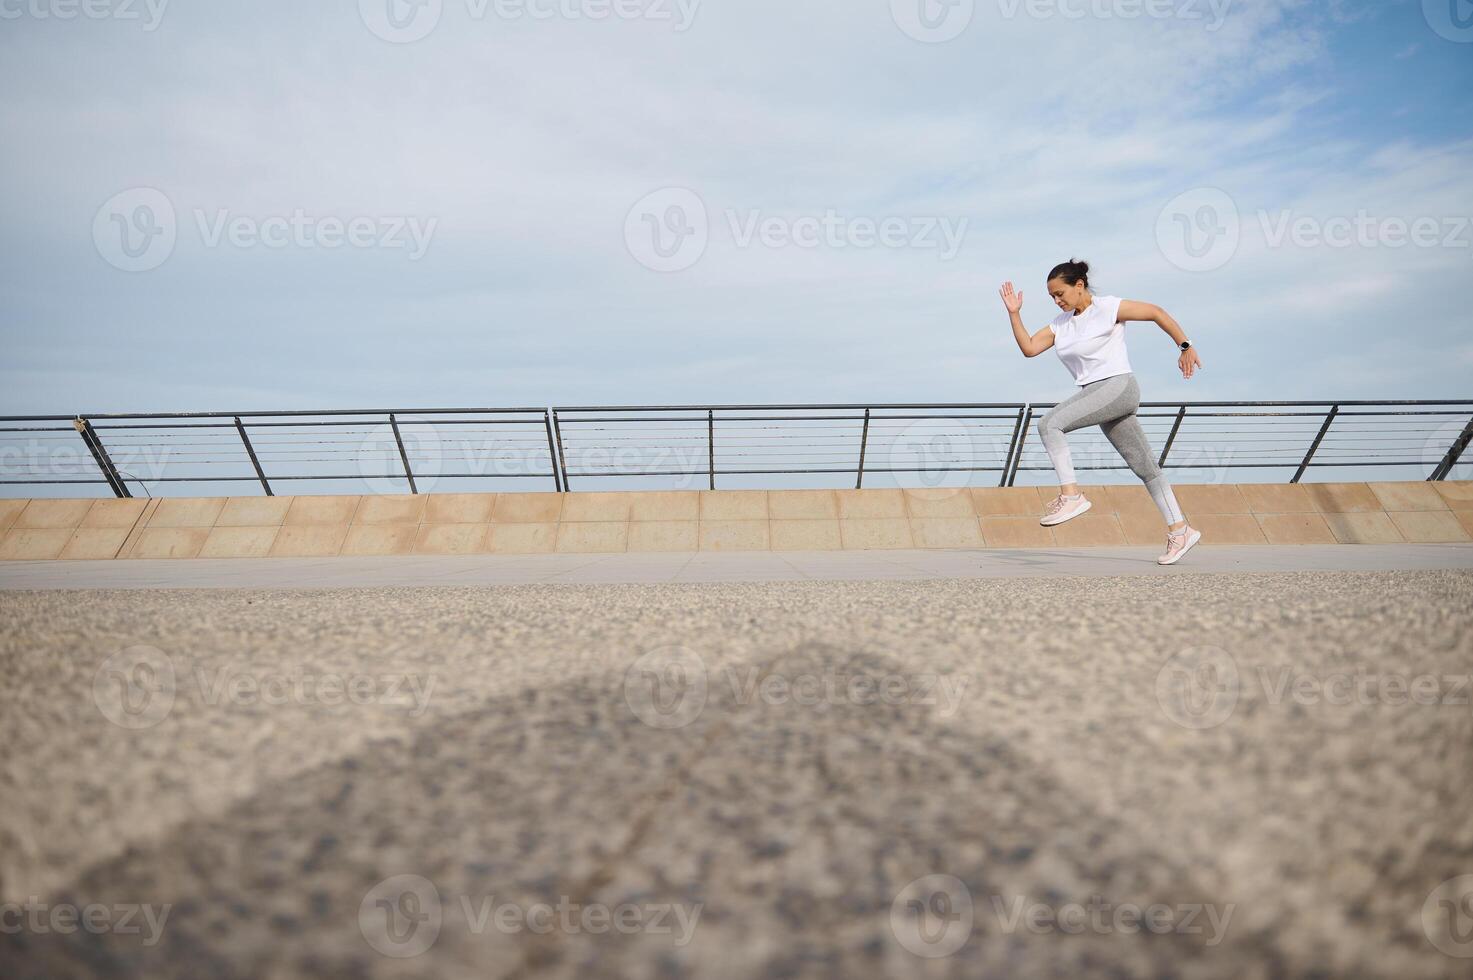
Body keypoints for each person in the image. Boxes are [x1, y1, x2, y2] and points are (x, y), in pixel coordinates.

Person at [998, 259, 1205, 565]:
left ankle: (1071, 495)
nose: (1057, 300)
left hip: (1118, 386)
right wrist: (1014, 314)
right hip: (1097, 395)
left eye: (1060, 293)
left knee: (1049, 424)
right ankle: (1181, 530)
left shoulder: (1108, 308)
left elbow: (1155, 313)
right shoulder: (1060, 323)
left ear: (1079, 285)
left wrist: (1185, 345)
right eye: (1052, 297)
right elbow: (1029, 348)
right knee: (1145, 467)